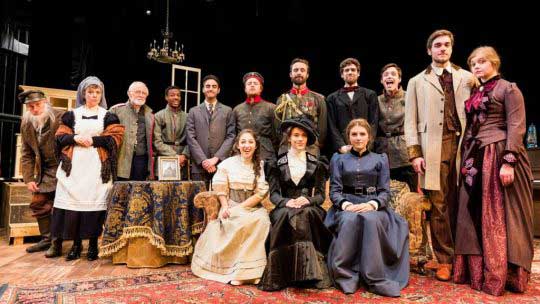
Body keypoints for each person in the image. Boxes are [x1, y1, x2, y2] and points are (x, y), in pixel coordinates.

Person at [453, 46, 534, 296]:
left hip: (497, 154)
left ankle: (501, 274)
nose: (476, 66)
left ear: (494, 63)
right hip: (473, 158)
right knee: (470, 213)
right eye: (472, 63)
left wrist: (508, 161)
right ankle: (476, 273)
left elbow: (517, 126)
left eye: (481, 62)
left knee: (496, 214)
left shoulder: (508, 88)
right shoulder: (476, 91)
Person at [404, 29, 474, 281]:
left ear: (452, 49)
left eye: (446, 45)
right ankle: (445, 260)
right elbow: (410, 122)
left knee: (464, 201)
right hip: (433, 147)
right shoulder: (416, 81)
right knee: (439, 204)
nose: (442, 49)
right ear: (429, 50)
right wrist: (415, 154)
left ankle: (467, 258)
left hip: (465, 146)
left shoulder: (467, 78)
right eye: (437, 45)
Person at [325, 118, 409, 297]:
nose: (358, 138)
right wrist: (346, 205)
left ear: (369, 137)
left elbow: (385, 192)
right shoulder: (338, 159)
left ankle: (374, 277)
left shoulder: (380, 159)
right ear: (348, 137)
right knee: (349, 220)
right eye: (354, 134)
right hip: (346, 205)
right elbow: (334, 191)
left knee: (370, 219)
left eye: (362, 134)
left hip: (373, 205)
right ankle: (346, 276)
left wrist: (372, 204)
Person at [52, 76, 124, 260]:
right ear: (83, 94)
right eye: (90, 92)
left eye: (97, 92)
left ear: (102, 94)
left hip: (97, 167)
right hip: (74, 167)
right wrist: (74, 138)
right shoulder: (71, 115)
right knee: (74, 206)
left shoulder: (108, 116)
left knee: (94, 205)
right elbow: (59, 138)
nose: (94, 95)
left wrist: (93, 140)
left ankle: (93, 244)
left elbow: (115, 138)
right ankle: (76, 245)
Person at [258, 116, 333, 291]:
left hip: (309, 207)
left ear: (307, 139)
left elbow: (321, 196)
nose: (300, 139)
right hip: (285, 207)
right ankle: (281, 276)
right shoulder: (277, 163)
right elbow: (274, 195)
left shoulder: (317, 163)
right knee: (287, 214)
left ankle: (309, 275)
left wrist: (308, 200)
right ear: (289, 138)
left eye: (303, 136)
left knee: (306, 214)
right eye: (296, 135)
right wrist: (287, 202)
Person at [191, 129, 270, 285]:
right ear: (238, 145)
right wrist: (226, 207)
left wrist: (241, 209)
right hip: (231, 204)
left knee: (262, 222)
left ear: (255, 146)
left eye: (250, 142)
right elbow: (221, 188)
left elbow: (260, 193)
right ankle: (235, 272)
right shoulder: (227, 164)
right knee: (236, 223)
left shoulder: (260, 166)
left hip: (252, 207)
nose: (247, 146)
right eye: (243, 142)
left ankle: (251, 273)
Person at [18, 90, 64, 255]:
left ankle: (56, 243)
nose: (35, 109)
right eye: (31, 106)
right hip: (44, 171)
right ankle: (46, 239)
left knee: (61, 206)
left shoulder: (61, 116)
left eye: (38, 105)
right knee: (38, 203)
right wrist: (28, 178)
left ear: (45, 102)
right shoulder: (26, 123)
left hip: (64, 169)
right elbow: (26, 153)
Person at [186, 75, 235, 186]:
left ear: (218, 90)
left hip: (221, 164)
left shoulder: (228, 111)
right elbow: (190, 138)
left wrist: (215, 159)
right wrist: (204, 160)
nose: (210, 88)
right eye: (207, 86)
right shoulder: (193, 111)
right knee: (198, 200)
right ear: (203, 89)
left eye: (214, 86)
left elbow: (231, 136)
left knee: (219, 199)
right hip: (199, 166)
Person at [375, 63, 417, 191]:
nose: (389, 77)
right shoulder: (376, 100)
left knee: (410, 193)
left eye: (393, 74)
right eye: (386, 75)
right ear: (382, 80)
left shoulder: (409, 96)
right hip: (382, 152)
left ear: (399, 79)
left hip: (404, 153)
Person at [326, 57, 378, 156]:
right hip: (344, 148)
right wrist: (341, 146)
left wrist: (367, 145)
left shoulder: (370, 94)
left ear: (358, 73)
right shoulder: (332, 98)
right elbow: (331, 125)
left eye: (353, 70)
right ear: (342, 74)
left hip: (366, 147)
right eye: (346, 70)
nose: (350, 72)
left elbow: (374, 122)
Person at [275, 58, 326, 156]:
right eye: (296, 70)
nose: (299, 72)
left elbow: (322, 129)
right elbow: (277, 128)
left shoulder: (318, 99)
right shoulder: (282, 99)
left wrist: (314, 143)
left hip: (311, 149)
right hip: (287, 148)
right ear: (290, 74)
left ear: (307, 75)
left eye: (302, 70)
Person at [109, 81, 154, 180]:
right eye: (138, 92)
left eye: (144, 93)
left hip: (141, 160)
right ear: (129, 93)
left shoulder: (150, 114)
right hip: (121, 158)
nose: (141, 95)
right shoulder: (116, 110)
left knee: (139, 192)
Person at [233, 72, 278, 160]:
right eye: (249, 83)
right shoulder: (237, 109)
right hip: (242, 155)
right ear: (245, 88)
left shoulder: (271, 108)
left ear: (260, 88)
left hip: (266, 156)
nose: (252, 85)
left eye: (255, 83)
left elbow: (276, 136)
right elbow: (233, 135)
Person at [153, 85, 189, 179]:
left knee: (182, 191)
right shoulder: (159, 116)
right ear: (166, 97)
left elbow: (192, 140)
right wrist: (175, 156)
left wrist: (184, 155)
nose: (176, 97)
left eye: (178, 95)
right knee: (162, 191)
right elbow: (157, 142)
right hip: (164, 159)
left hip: (183, 161)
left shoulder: (187, 117)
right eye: (172, 95)